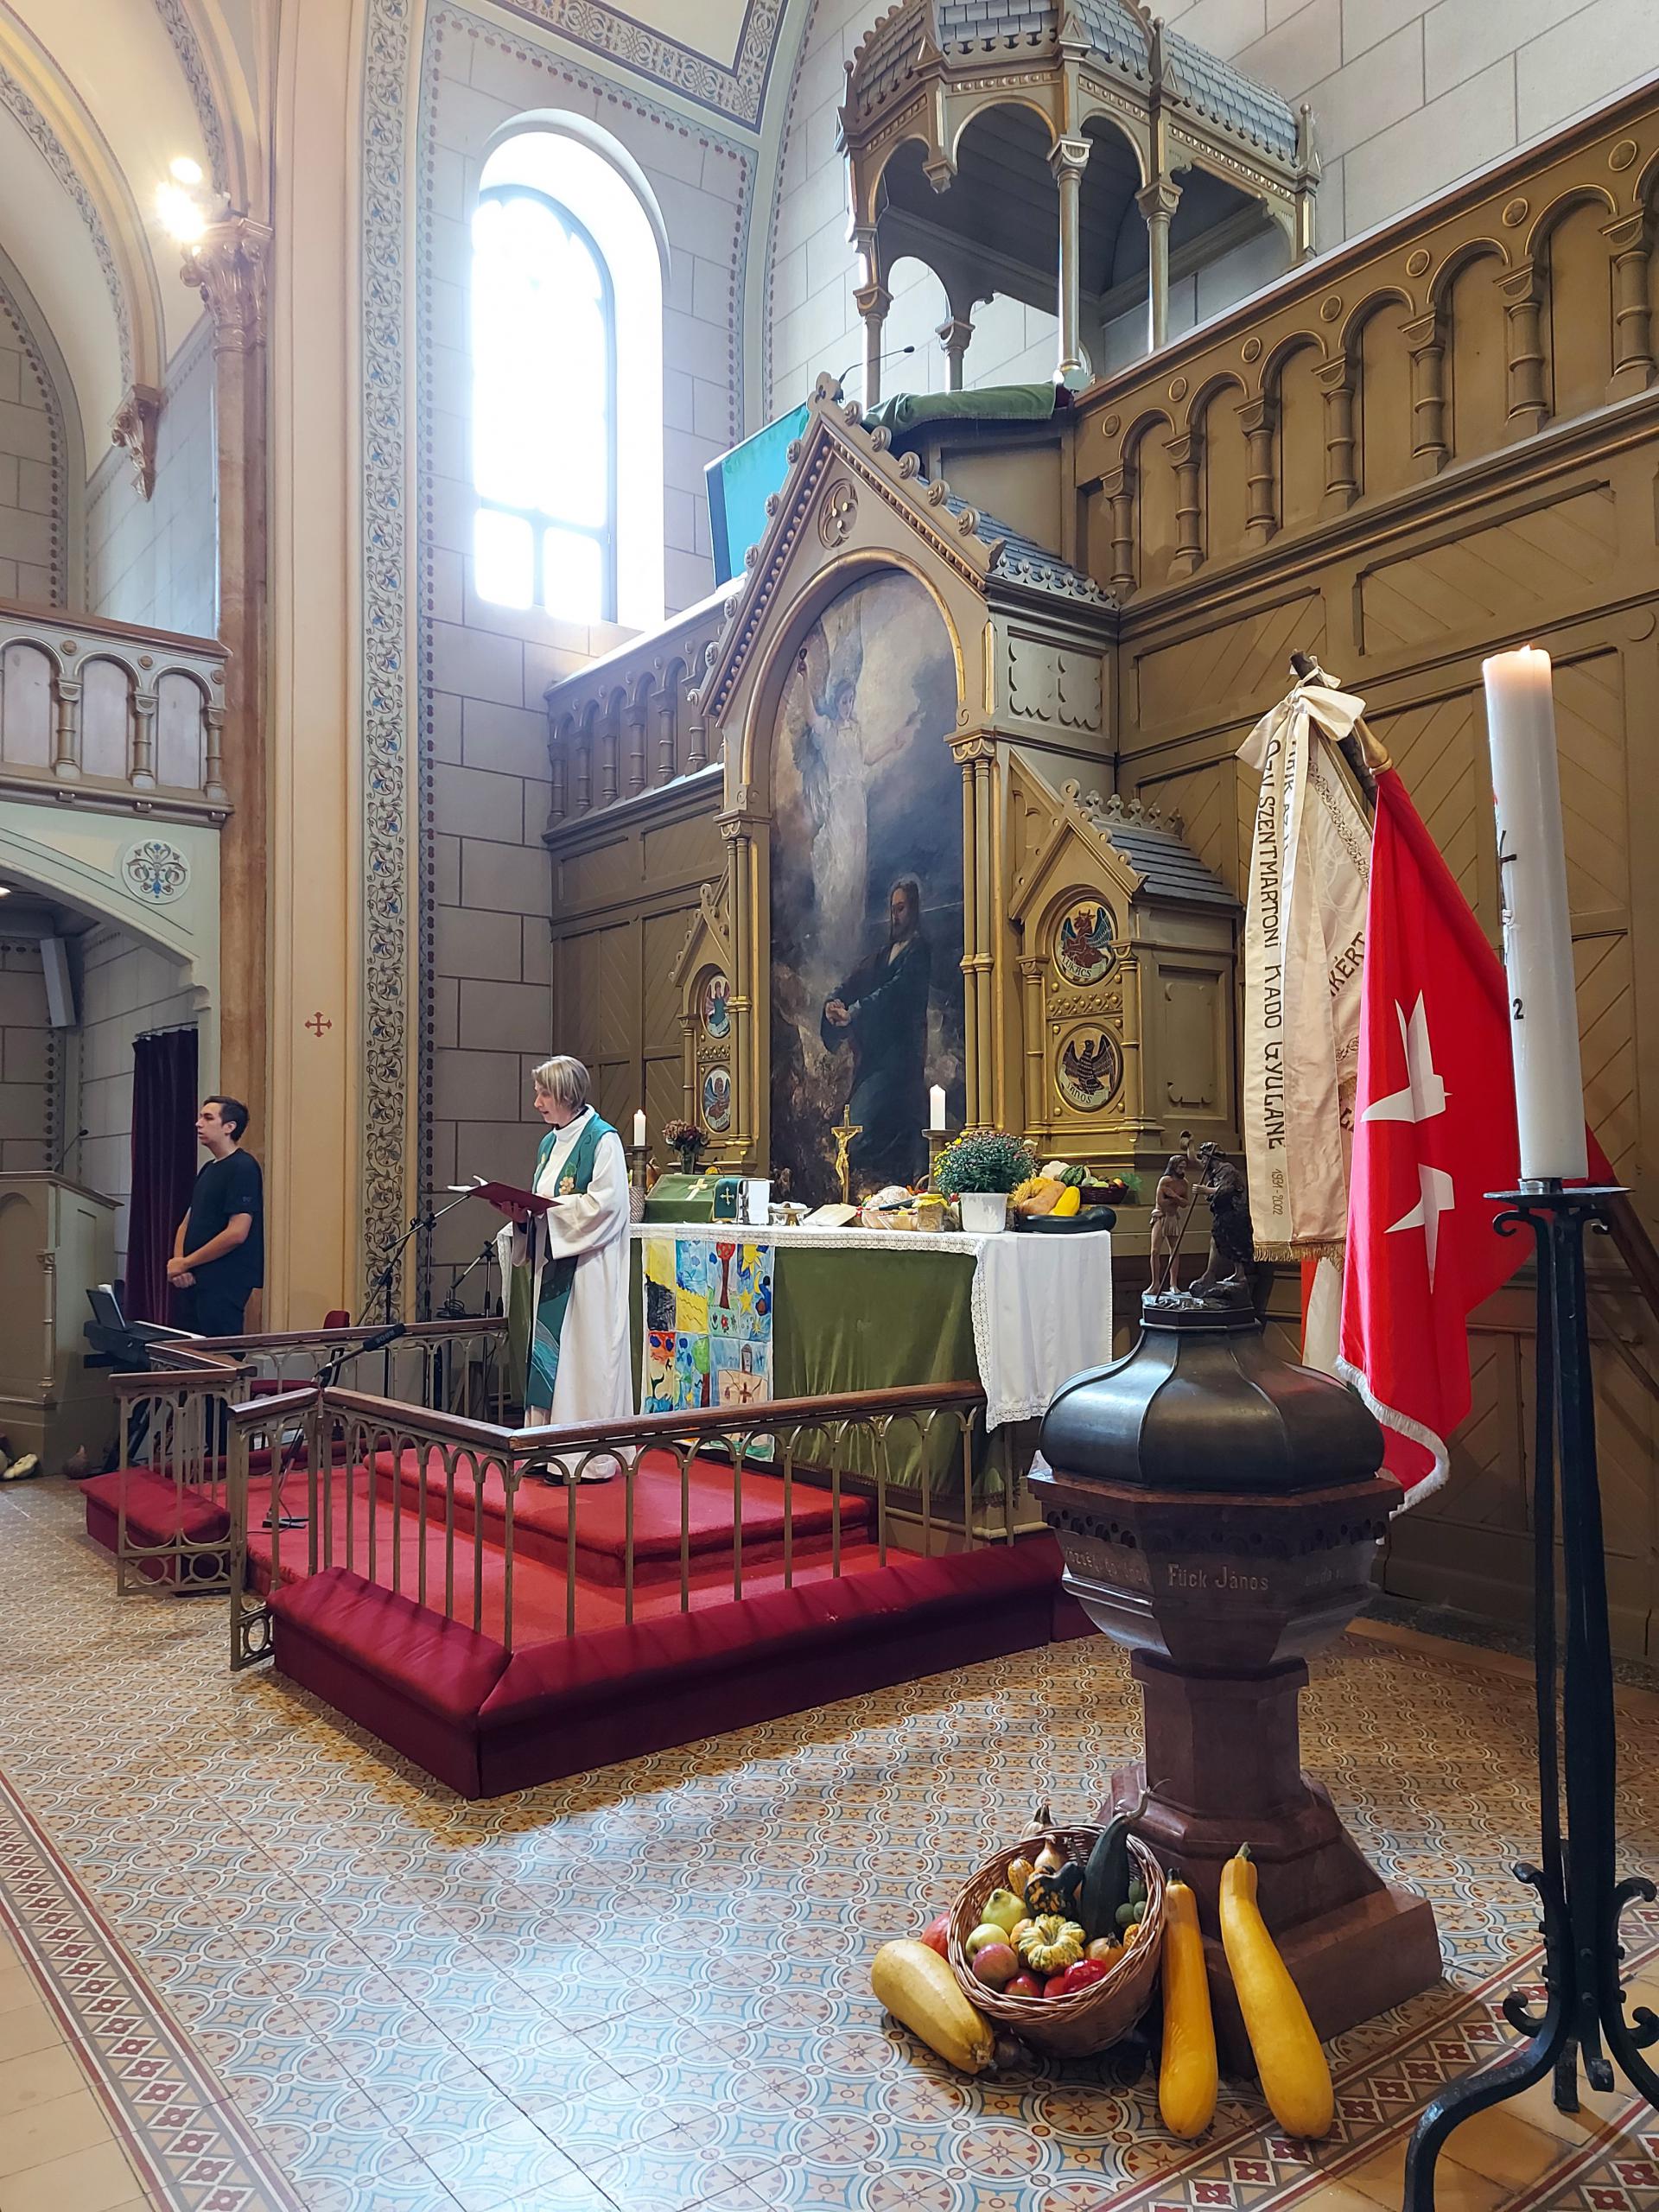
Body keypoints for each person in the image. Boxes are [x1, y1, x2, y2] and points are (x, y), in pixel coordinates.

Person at [503, 1055, 632, 1476]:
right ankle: (546, 1450)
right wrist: (522, 1218)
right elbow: (541, 1204)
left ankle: (585, 1460)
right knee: (552, 1360)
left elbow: (608, 1207)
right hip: (552, 1266)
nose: (537, 1103)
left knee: (583, 1361)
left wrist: (549, 1212)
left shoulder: (603, 1140)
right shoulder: (548, 1144)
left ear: (566, 1095)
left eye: (544, 1094)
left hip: (588, 1272)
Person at [821, 878, 932, 1189]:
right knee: (850, 1131)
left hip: (899, 1062)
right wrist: (834, 1002)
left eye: (901, 908)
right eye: (892, 909)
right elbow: (854, 980)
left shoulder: (918, 952)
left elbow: (894, 993)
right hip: (875, 1060)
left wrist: (854, 1012)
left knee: (860, 1130)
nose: (895, 916)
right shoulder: (883, 954)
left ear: (914, 909)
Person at [166, 1096, 264, 1337]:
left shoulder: (243, 1167)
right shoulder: (209, 1168)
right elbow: (187, 1222)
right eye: (200, 1117)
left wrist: (186, 1263)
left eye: (208, 1118)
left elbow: (237, 1233)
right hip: (193, 1277)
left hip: (223, 1280)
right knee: (189, 1349)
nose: (198, 1123)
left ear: (229, 1127)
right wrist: (180, 1264)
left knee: (219, 1351)